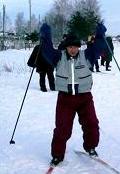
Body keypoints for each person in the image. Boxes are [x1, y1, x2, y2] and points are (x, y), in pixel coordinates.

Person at [39, 23, 107, 166]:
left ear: (79, 46)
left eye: (75, 46)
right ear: (66, 47)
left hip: (85, 98)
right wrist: (45, 35)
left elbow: (99, 47)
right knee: (62, 128)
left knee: (92, 124)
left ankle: (90, 147)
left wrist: (100, 33)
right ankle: (57, 155)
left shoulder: (86, 56)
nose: (73, 49)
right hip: (65, 99)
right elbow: (46, 50)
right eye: (70, 47)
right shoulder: (58, 57)